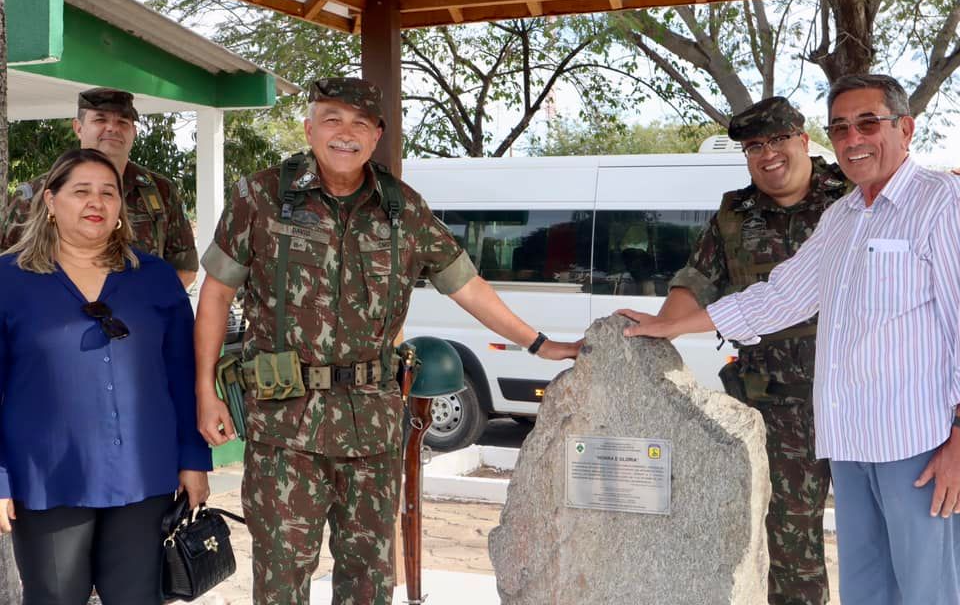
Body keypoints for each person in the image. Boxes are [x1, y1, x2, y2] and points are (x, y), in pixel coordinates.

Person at [193, 77, 581, 604]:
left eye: (360, 124)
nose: (345, 134)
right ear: (309, 128)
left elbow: (467, 286)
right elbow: (214, 296)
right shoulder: (260, 196)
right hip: (285, 426)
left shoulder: (405, 210)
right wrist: (206, 392)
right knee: (281, 578)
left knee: (369, 580)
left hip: (371, 429)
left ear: (377, 135)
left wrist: (539, 344)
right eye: (331, 120)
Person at [620, 74, 960, 604]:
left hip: (916, 443)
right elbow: (780, 296)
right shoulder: (844, 216)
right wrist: (672, 325)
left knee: (929, 589)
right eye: (841, 127)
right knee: (868, 589)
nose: (853, 138)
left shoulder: (943, 203)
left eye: (868, 122)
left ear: (906, 128)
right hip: (847, 439)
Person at [621, 97, 846, 604]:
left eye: (777, 141)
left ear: (803, 139)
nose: (767, 155)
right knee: (789, 543)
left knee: (884, 530)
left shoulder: (852, 195)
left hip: (858, 398)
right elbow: (697, 280)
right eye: (753, 147)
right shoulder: (733, 214)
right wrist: (664, 326)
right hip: (775, 403)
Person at [0, 148, 212, 604]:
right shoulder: (9, 279)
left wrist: (193, 459)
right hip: (48, 477)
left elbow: (182, 374)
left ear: (119, 208)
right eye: (81, 191)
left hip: (143, 474)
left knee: (136, 597)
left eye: (107, 193)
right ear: (50, 202)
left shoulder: (154, 277)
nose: (96, 202)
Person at [0, 87, 199, 288]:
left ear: (134, 132)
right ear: (78, 128)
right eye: (100, 120)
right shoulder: (34, 194)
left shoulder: (161, 191)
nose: (112, 128)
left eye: (122, 122)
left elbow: (185, 268)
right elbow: (8, 268)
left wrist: (147, 306)